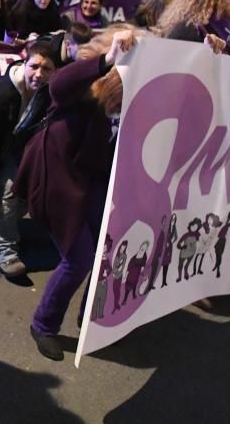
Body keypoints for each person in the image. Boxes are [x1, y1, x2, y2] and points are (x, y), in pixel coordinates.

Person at [16, 26, 144, 360]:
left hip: (92, 177)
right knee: (78, 259)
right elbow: (59, 86)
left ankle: (93, 319)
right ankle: (43, 324)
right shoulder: (85, 84)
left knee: (107, 248)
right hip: (58, 180)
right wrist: (108, 58)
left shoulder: (137, 96)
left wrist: (209, 53)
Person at [0, 37, 63, 278]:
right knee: (6, 194)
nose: (38, 74)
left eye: (46, 69)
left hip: (18, 145)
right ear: (24, 64)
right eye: (34, 66)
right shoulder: (1, 96)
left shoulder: (48, 92)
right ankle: (5, 251)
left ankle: (3, 224)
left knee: (31, 194)